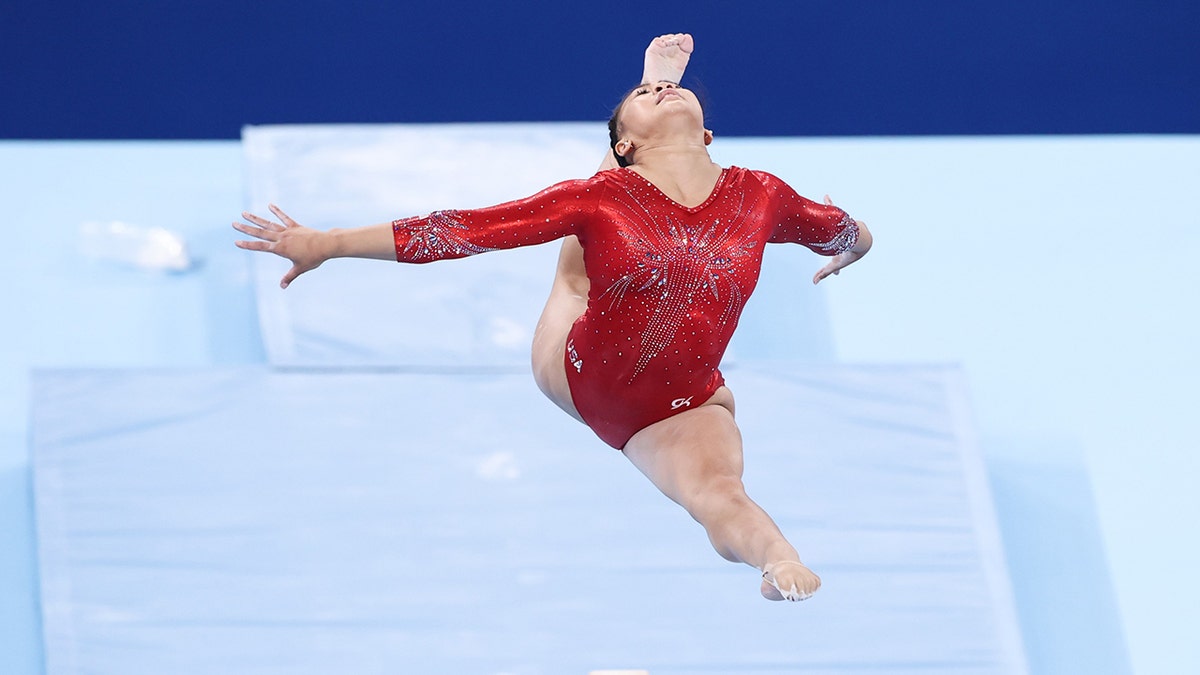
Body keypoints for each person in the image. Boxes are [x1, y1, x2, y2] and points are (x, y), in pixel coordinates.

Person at [233, 34, 873, 602]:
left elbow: (843, 231)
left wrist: (853, 243)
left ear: (709, 133)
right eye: (650, 93)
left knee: (721, 495)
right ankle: (617, 201)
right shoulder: (598, 194)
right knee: (586, 251)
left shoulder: (762, 193)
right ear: (623, 141)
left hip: (682, 403)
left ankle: (776, 559)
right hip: (573, 362)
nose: (664, 95)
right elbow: (461, 231)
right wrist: (326, 244)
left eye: (669, 90)